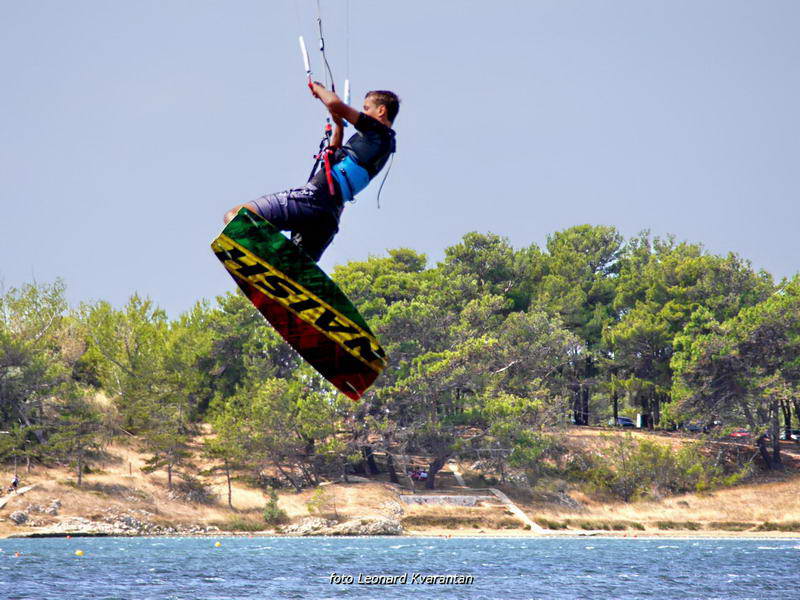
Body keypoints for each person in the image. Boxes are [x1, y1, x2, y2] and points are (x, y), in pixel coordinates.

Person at [224, 84, 399, 262]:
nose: (363, 112)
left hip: (312, 199)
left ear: (381, 111)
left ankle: (270, 259)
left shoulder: (377, 131)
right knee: (296, 269)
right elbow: (334, 153)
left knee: (236, 216)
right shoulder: (380, 144)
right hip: (328, 218)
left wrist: (319, 89)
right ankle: (282, 269)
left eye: (366, 108)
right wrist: (339, 125)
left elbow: (334, 103)